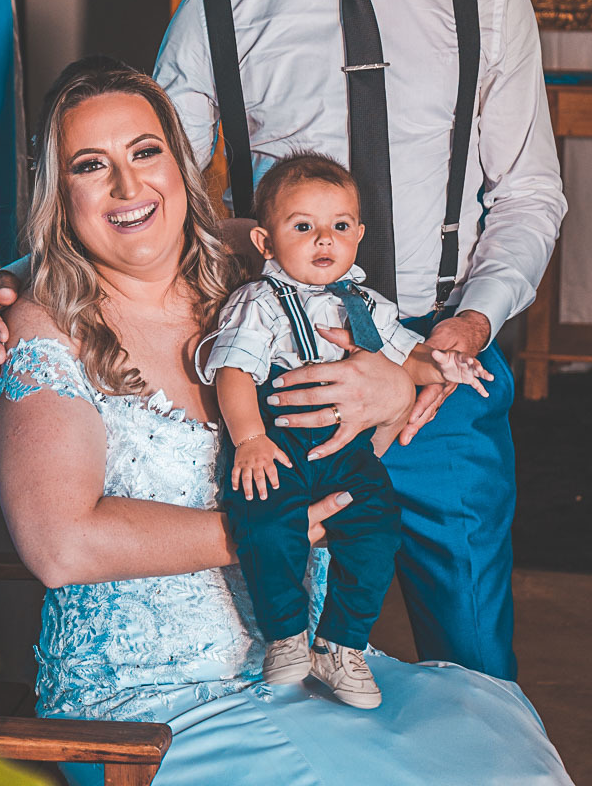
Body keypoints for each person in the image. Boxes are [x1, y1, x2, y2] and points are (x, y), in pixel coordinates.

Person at [0, 0, 567, 683]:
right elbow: (141, 196)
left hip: (440, 381)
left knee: (473, 662)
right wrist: (14, 279)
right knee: (304, 642)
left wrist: (458, 336)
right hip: (278, 379)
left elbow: (529, 196)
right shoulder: (214, 12)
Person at [0, 57, 573, 785]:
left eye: (146, 152)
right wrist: (267, 531)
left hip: (305, 677)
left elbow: (362, 408)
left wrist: (395, 388)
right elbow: (61, 545)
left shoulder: (251, 287)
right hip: (144, 710)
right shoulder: (46, 329)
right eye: (89, 165)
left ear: (181, 162)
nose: (128, 186)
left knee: (496, 750)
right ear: (60, 194)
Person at [203, 151, 491, 708]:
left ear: (359, 234)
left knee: (378, 526)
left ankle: (340, 643)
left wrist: (445, 366)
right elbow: (234, 372)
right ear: (265, 242)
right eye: (303, 227)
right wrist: (249, 439)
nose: (323, 240)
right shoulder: (258, 303)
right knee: (267, 523)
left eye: (338, 227)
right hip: (278, 440)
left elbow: (409, 359)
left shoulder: (368, 305)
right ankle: (285, 634)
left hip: (346, 449)